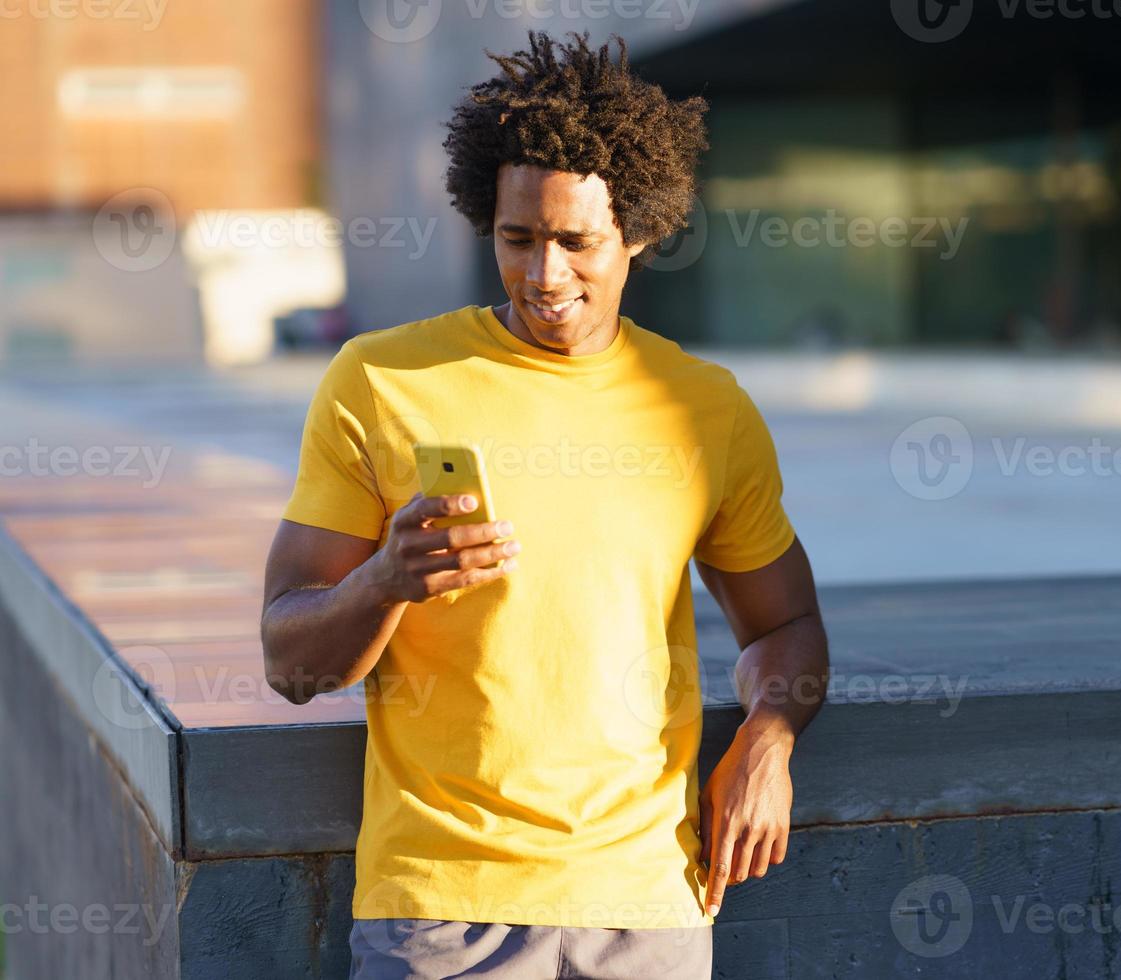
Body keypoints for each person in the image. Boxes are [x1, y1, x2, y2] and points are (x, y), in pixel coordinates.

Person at [259, 30, 829, 980]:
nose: (544, 275)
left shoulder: (705, 408)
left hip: (649, 902)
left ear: (639, 232)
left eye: (577, 241)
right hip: (440, 912)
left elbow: (789, 625)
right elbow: (290, 660)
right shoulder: (382, 380)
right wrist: (386, 581)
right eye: (517, 238)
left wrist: (768, 739)